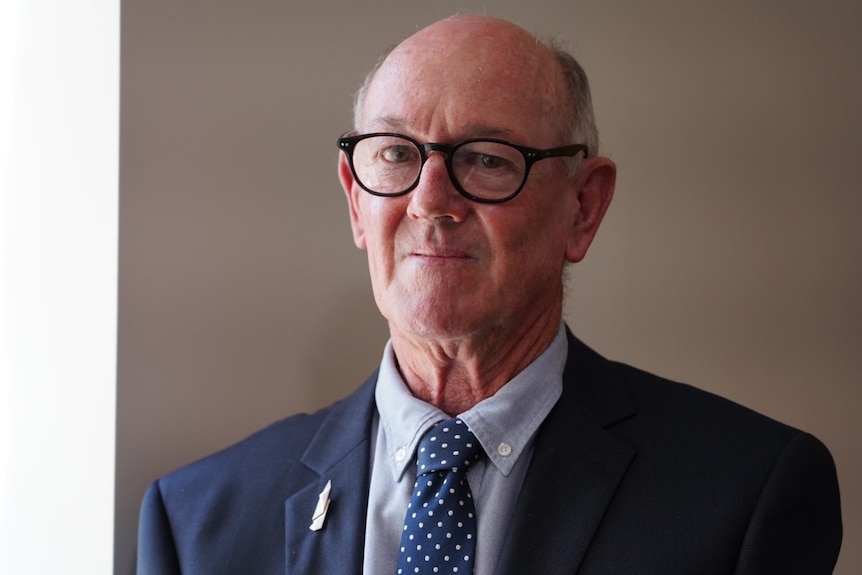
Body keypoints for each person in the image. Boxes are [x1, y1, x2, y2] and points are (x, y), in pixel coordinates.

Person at [137, 15, 842, 575]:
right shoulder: (198, 521)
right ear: (356, 203)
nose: (431, 200)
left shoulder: (743, 494)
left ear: (583, 208)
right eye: (396, 153)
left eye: (487, 159)